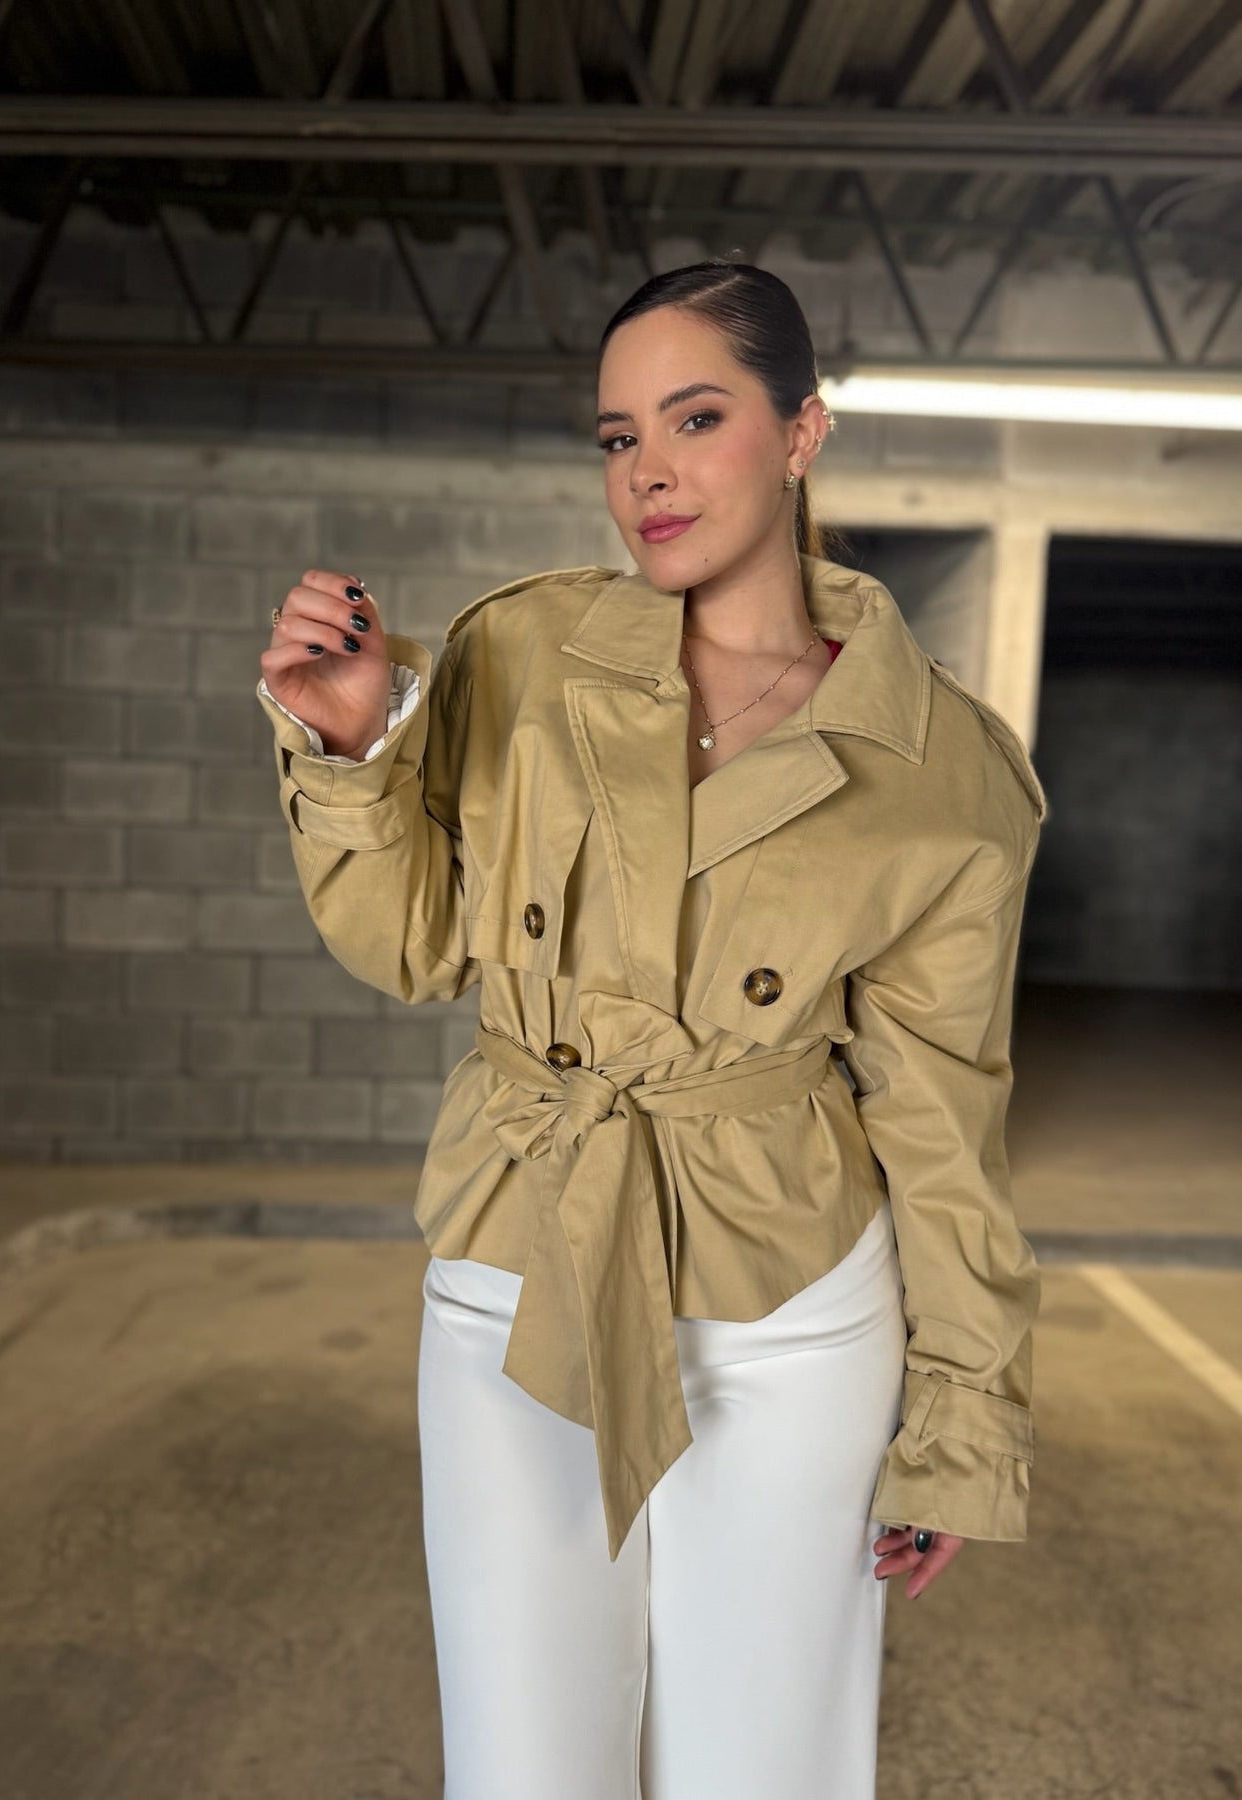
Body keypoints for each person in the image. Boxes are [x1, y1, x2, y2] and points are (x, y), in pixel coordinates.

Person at [255, 257, 1049, 1799]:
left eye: (696, 418)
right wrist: (348, 752)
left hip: (786, 1310)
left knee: (765, 1762)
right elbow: (411, 944)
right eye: (619, 436)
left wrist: (960, 1412)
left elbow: (941, 1115)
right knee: (520, 1762)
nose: (650, 473)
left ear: (801, 431)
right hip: (512, 1270)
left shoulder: (943, 769)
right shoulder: (520, 656)